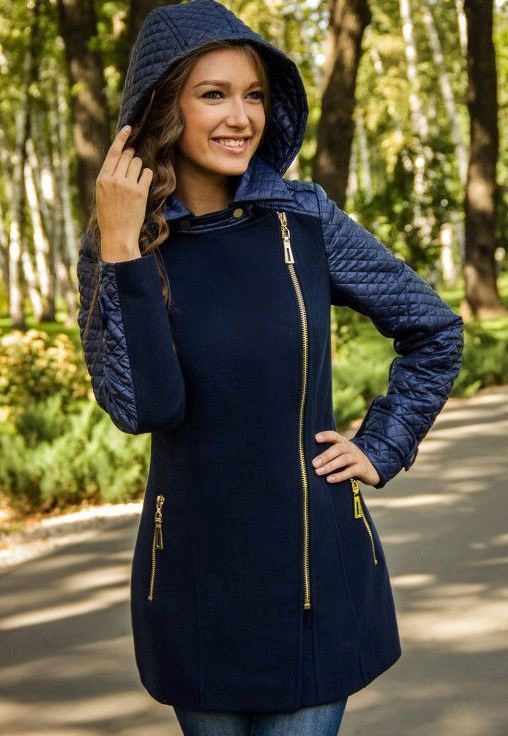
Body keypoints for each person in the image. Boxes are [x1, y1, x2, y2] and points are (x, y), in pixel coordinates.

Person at [76, 1, 464, 734]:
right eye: (213, 94)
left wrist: (383, 445)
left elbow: (434, 331)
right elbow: (146, 408)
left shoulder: (305, 218)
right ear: (164, 109)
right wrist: (124, 251)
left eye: (253, 95)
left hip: (315, 582)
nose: (240, 117)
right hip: (191, 589)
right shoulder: (118, 244)